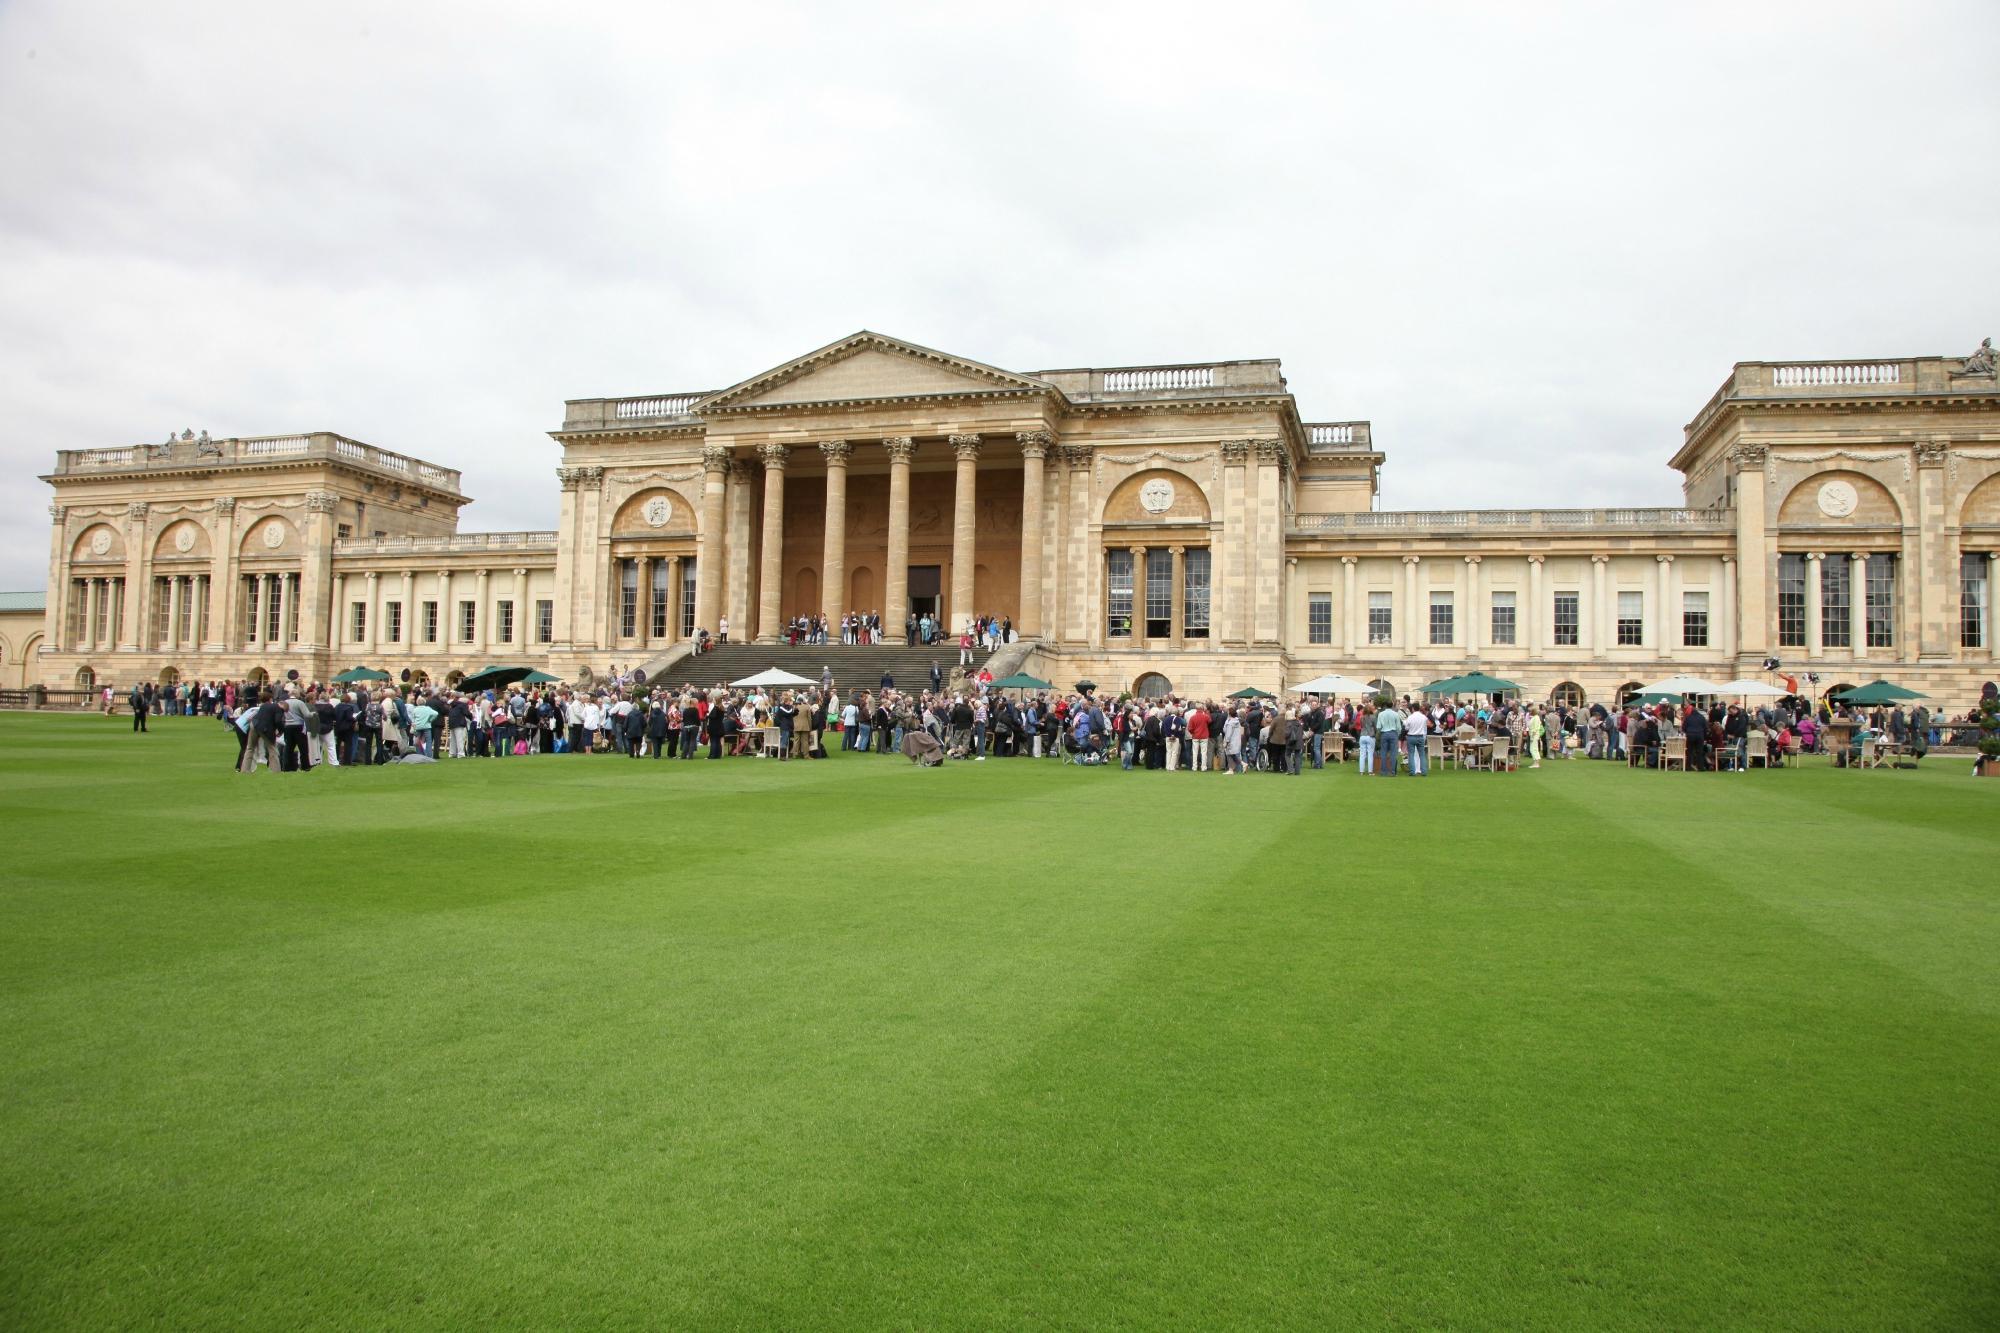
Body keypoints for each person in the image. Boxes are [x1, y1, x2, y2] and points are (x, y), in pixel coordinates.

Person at [1405, 703, 1429, 776]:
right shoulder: (1424, 717)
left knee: (1411, 754)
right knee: (1422, 754)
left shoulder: (1410, 717)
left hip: (1411, 736)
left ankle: (1412, 771)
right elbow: (1425, 727)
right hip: (1420, 736)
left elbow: (1406, 728)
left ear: (1412, 708)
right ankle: (1424, 771)